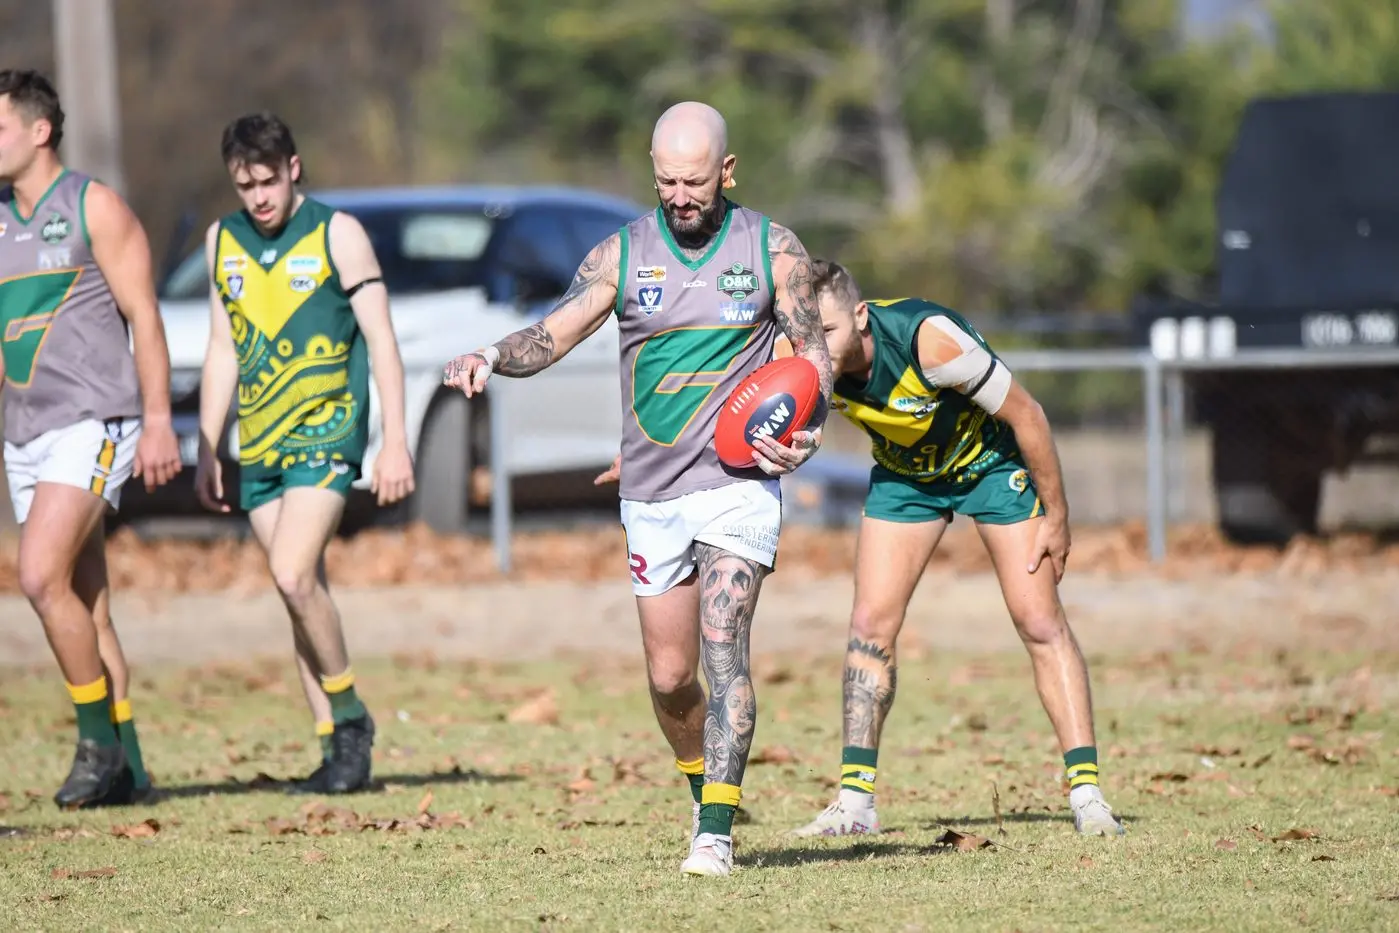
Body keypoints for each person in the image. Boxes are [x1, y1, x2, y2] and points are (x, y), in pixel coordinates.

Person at [444, 101, 833, 877]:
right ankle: (701, 784)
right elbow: (553, 331)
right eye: (665, 181)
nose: (679, 196)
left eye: (694, 181)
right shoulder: (624, 254)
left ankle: (715, 833)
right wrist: (490, 354)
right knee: (669, 674)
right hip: (652, 492)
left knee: (725, 645)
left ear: (726, 171)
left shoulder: (770, 248)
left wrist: (803, 428)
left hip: (737, 482)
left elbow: (813, 351)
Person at [770, 260, 1125, 838]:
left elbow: (1029, 416)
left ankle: (1088, 797)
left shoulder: (928, 341)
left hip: (993, 464)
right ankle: (855, 805)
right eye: (806, 334)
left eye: (827, 332)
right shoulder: (799, 355)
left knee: (1038, 620)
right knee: (869, 623)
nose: (815, 347)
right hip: (905, 476)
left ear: (861, 317)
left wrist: (1057, 516)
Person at [195, 112, 416, 795]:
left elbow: (381, 339)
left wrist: (395, 441)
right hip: (258, 442)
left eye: (267, 181)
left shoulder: (336, 233)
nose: (258, 197)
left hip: (327, 431)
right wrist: (209, 446)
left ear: (293, 168)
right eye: (244, 185)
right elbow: (222, 346)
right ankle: (334, 752)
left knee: (291, 576)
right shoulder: (220, 241)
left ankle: (350, 717)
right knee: (302, 594)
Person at [0, 69, 181, 808]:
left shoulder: (92, 206)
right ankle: (131, 767)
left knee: (40, 578)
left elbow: (145, 315)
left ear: (39, 130)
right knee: (86, 603)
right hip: (25, 433)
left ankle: (97, 748)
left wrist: (160, 417)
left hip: (93, 421)